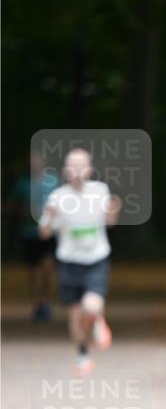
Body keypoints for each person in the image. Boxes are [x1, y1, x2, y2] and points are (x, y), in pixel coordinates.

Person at [39, 148, 120, 374]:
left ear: (90, 169)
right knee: (75, 316)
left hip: (96, 259)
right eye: (71, 166)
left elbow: (110, 222)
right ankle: (83, 355)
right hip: (69, 262)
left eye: (81, 165)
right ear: (65, 170)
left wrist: (114, 210)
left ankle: (96, 322)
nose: (76, 170)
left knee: (91, 305)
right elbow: (44, 233)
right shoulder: (57, 197)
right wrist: (51, 216)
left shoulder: (100, 190)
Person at [6, 152, 59, 321]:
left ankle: (47, 302)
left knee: (48, 267)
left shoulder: (53, 181)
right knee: (35, 270)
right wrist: (23, 210)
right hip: (29, 233)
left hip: (50, 232)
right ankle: (38, 304)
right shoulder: (22, 183)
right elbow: (11, 206)